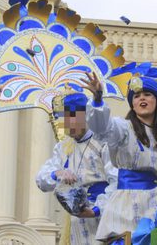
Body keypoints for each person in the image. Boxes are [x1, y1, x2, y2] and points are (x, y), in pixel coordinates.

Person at [82, 72, 157, 241]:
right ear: (132, 104)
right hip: (125, 208)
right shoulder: (123, 129)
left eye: (147, 94)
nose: (142, 99)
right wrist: (97, 99)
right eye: (137, 96)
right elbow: (102, 127)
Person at [36, 91, 118, 245]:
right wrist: (56, 173)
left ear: (86, 117)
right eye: (65, 118)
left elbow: (117, 183)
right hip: (75, 224)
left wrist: (95, 210)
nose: (69, 123)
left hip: (103, 218)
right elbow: (41, 180)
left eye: (74, 117)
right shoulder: (63, 147)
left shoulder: (102, 142)